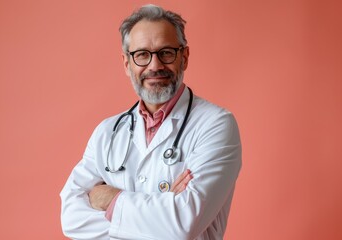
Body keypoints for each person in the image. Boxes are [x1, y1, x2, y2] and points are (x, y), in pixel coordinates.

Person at [60, 4, 242, 240]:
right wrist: (162, 215)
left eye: (166, 52)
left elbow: (183, 224)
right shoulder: (107, 133)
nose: (154, 66)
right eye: (142, 55)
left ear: (184, 57)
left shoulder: (215, 125)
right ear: (127, 64)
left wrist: (111, 199)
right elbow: (70, 218)